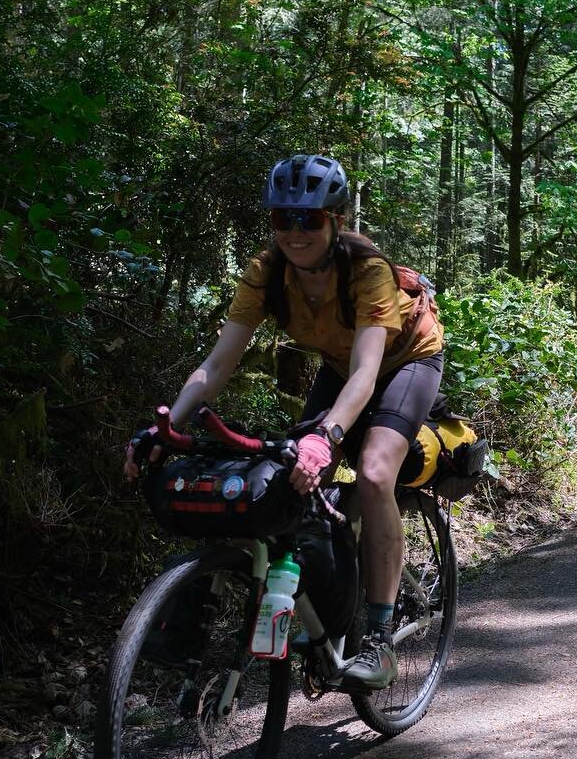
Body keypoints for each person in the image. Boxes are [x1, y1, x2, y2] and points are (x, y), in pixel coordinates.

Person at [124, 154, 444, 691]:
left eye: (310, 220)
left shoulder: (367, 270)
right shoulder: (266, 273)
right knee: (288, 476)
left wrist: (327, 436)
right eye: (282, 220)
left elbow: (367, 373)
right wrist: (164, 428)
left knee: (371, 473)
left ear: (334, 221)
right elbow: (218, 362)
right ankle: (324, 604)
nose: (295, 233)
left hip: (404, 362)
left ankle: (379, 638)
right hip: (341, 367)